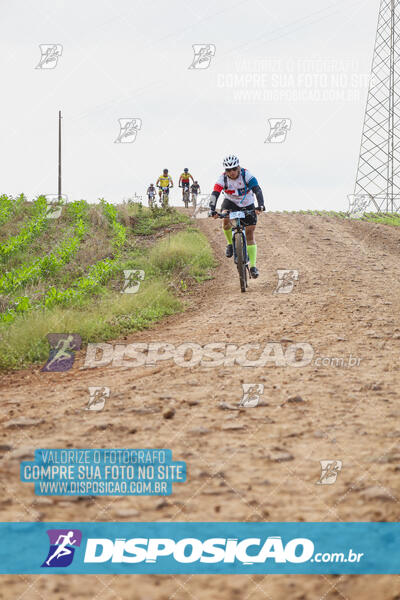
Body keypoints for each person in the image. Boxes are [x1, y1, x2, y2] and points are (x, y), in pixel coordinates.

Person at [208, 154, 265, 278]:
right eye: (228, 170)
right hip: (231, 202)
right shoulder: (222, 179)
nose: (232, 172)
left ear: (238, 167)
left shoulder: (247, 175)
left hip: (247, 203)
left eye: (234, 169)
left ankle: (253, 266)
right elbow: (215, 194)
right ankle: (230, 243)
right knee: (226, 220)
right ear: (225, 171)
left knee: (250, 233)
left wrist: (260, 205)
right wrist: (212, 209)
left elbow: (257, 190)